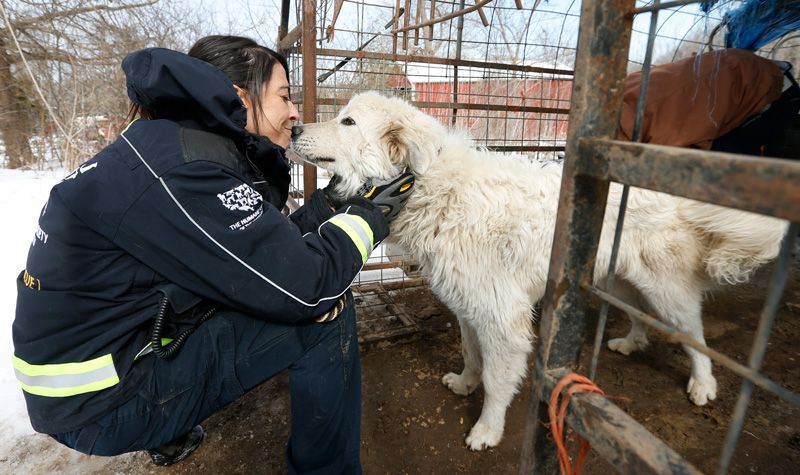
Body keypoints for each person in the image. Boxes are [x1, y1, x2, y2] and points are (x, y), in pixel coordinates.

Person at [12, 35, 414, 473]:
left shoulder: (164, 148)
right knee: (326, 309)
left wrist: (334, 202)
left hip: (82, 377)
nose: (295, 111)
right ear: (241, 96)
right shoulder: (187, 170)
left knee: (257, 288)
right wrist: (372, 216)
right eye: (284, 95)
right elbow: (305, 287)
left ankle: (167, 430)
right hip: (102, 404)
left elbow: (258, 258)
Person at [618, 48, 800, 157]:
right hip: (740, 70)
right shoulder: (619, 91)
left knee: (724, 168)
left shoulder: (664, 133)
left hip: (774, 91)